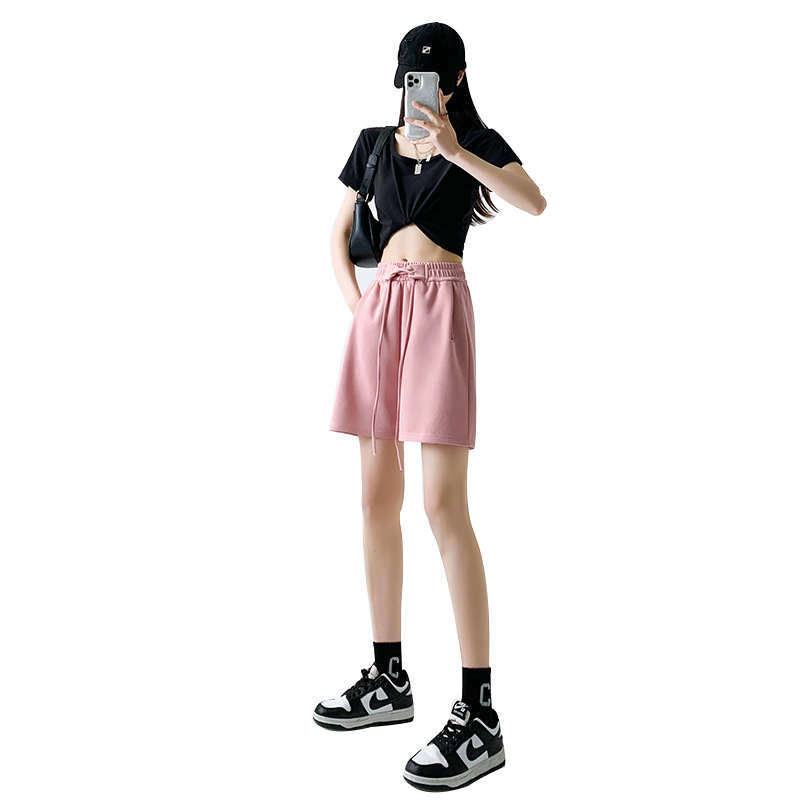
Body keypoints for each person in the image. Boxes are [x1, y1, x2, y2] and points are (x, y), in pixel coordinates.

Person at [313, 21, 547, 792]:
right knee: (374, 499)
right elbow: (336, 236)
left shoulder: (473, 142)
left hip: (441, 307)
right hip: (380, 311)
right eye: (413, 76)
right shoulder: (372, 145)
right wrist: (363, 311)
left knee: (444, 507)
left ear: (455, 80)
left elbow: (534, 202)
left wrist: (453, 150)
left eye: (435, 76)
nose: (423, 88)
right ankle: (388, 679)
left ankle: (480, 712)